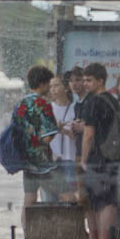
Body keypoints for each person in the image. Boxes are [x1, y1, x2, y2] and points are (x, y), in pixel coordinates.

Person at [78, 62, 120, 239]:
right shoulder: (113, 101)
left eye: (89, 80)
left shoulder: (94, 102)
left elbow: (89, 134)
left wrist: (83, 159)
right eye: (85, 80)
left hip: (99, 159)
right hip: (113, 158)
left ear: (100, 80)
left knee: (102, 204)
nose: (85, 83)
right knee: (108, 202)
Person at [14, 65, 59, 225]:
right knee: (67, 195)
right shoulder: (43, 104)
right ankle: (69, 237)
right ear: (42, 84)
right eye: (48, 83)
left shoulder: (20, 104)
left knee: (29, 199)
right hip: (43, 162)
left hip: (26, 161)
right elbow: (48, 136)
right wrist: (57, 129)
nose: (49, 87)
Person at [47, 74, 79, 202]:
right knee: (50, 198)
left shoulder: (74, 108)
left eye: (56, 85)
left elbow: (78, 136)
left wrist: (62, 130)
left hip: (69, 158)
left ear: (65, 88)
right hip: (52, 159)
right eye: (51, 86)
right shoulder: (48, 108)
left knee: (69, 197)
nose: (53, 89)